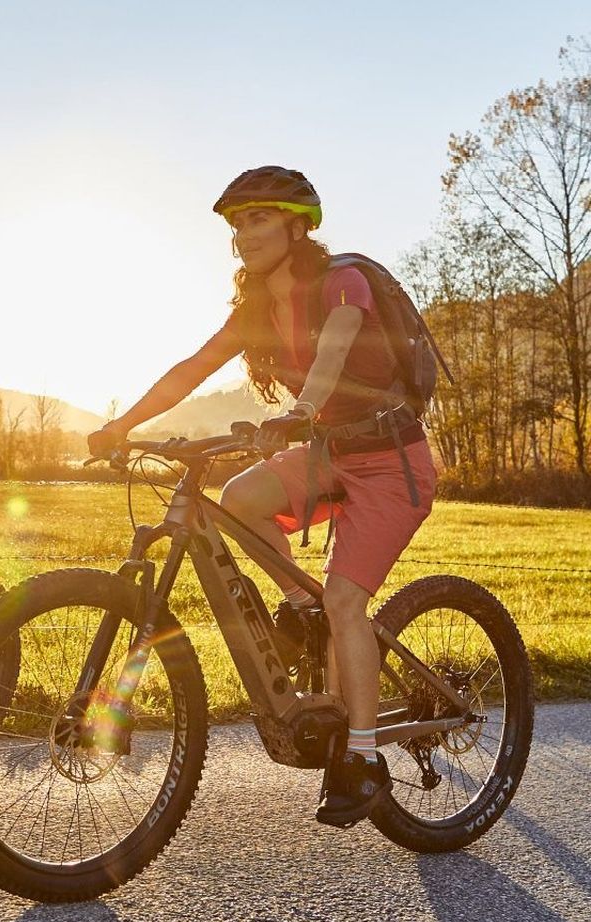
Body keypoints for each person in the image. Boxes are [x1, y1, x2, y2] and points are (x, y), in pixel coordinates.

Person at [87, 166, 436, 827]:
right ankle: (303, 608)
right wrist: (123, 424)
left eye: (258, 219)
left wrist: (303, 406)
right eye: (237, 224)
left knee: (347, 601)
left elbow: (336, 344)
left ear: (297, 224)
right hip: (331, 452)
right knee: (243, 497)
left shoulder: (343, 279)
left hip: (393, 463)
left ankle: (362, 758)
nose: (244, 235)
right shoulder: (254, 311)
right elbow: (190, 368)